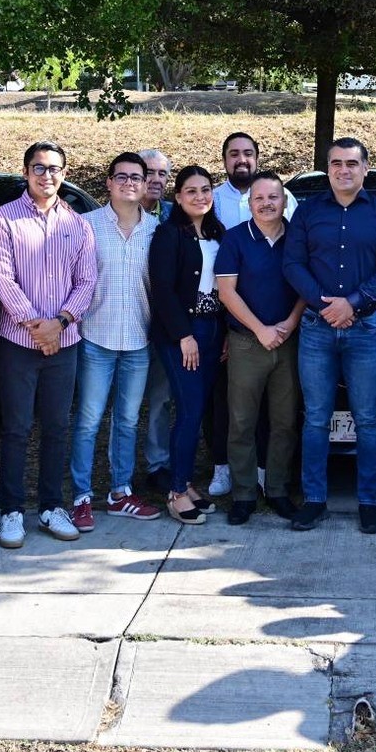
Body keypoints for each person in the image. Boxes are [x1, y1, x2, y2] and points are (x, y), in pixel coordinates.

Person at [286, 137, 376, 533]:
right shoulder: (306, 212)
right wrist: (325, 306)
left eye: (352, 163)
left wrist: (352, 303)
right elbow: (293, 264)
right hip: (317, 330)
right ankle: (315, 499)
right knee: (317, 417)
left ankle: (368, 500)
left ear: (365, 168)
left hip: (364, 328)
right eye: (336, 163)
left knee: (367, 418)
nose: (343, 170)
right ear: (328, 168)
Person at [0, 140, 97, 547]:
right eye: (38, 167)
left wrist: (60, 323)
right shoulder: (2, 221)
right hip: (18, 342)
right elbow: (3, 278)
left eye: (53, 168)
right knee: (15, 430)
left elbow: (86, 281)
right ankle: (11, 512)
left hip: (64, 342)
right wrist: (37, 327)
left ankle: (52, 506)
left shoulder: (78, 224)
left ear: (64, 174)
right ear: (26, 172)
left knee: (57, 427)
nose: (46, 175)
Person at [70, 153, 163, 531]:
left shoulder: (157, 230)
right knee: (89, 421)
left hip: (139, 340)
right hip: (96, 338)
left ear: (145, 186)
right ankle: (81, 497)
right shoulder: (85, 226)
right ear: (108, 183)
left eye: (136, 177)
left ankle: (120, 493)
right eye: (121, 176)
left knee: (126, 421)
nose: (129, 182)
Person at [217, 171, 306, 523]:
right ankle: (243, 494)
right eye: (259, 198)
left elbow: (305, 286)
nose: (267, 204)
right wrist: (261, 329)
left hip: (287, 341)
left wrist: (290, 322)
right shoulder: (236, 239)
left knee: (284, 421)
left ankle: (279, 490)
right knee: (242, 421)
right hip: (246, 343)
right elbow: (227, 292)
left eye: (274, 197)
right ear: (250, 203)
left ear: (285, 201)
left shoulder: (298, 239)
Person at [151, 166, 226, 524]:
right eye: (191, 191)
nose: (200, 196)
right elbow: (162, 291)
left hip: (213, 330)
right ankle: (176, 491)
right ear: (178, 197)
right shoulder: (169, 235)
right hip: (182, 333)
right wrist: (184, 336)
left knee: (199, 412)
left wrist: (223, 335)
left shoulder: (217, 233)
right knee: (190, 410)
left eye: (205, 189)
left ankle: (186, 481)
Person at [136, 147, 179, 492]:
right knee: (124, 402)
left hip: (165, 326)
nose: (156, 179)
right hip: (126, 322)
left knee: (161, 399)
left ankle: (158, 464)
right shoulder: (120, 214)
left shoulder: (174, 216)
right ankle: (118, 471)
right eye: (149, 172)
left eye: (163, 174)